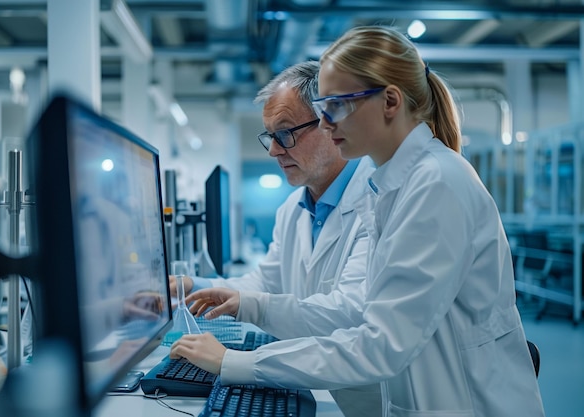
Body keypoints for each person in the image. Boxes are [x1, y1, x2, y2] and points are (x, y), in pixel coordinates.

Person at [170, 25, 545, 416]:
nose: (327, 123)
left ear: (390, 102)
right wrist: (236, 302)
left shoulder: (436, 184)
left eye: (336, 105)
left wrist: (235, 362)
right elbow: (356, 315)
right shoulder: (395, 185)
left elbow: (380, 342)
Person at [173, 61, 379, 417]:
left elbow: (350, 315)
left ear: (331, 122)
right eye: (270, 136)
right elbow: (265, 281)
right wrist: (195, 285)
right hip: (331, 390)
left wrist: (236, 350)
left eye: (286, 133)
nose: (273, 151)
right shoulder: (294, 208)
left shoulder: (376, 202)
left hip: (378, 398)